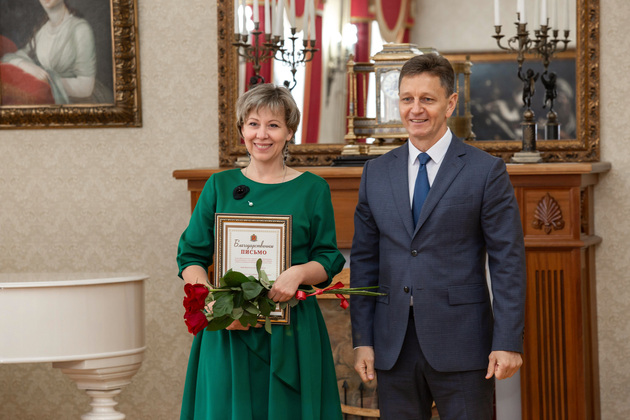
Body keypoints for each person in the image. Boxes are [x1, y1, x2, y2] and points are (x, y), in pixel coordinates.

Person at [350, 53, 526, 420]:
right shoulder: (375, 173)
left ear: (450, 103)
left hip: (463, 343)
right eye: (407, 98)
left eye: (427, 99)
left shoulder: (486, 171)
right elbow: (364, 263)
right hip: (392, 344)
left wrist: (508, 342)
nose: (415, 109)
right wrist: (362, 341)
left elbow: (508, 262)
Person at [177, 83, 345, 420]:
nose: (262, 134)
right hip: (229, 329)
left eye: (273, 125)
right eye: (253, 124)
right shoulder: (219, 186)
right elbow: (191, 256)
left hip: (291, 331)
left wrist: (299, 273)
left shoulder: (313, 189)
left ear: (289, 131)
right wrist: (211, 299)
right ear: (242, 130)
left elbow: (328, 258)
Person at [1, 0, 112, 104]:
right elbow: (10, 57)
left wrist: (49, 81)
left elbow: (86, 88)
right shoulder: (43, 30)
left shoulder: (80, 29)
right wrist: (25, 64)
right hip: (52, 97)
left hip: (80, 102)